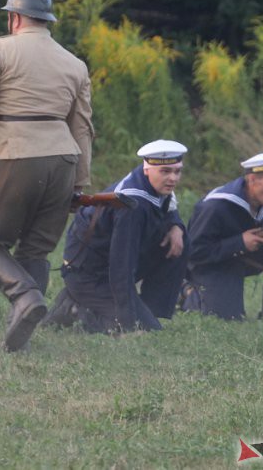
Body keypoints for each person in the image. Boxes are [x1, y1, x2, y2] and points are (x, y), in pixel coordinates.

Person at [0, 0, 94, 352]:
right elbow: (83, 128)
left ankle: (25, 297)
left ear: (14, 18)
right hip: (63, 160)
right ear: (46, 20)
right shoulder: (75, 64)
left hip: (15, 154)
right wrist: (80, 183)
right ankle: (22, 332)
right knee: (35, 251)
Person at [43, 140, 188, 334]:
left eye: (177, 171)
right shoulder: (132, 206)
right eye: (166, 171)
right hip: (90, 274)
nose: (173, 178)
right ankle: (75, 309)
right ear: (147, 169)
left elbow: (169, 203)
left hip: (104, 267)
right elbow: (121, 265)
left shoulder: (150, 182)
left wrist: (176, 225)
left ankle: (150, 310)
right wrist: (128, 322)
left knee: (181, 240)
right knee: (142, 330)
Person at [183, 153, 263, 321]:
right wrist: (240, 242)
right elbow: (194, 252)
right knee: (225, 319)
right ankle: (185, 292)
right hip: (215, 262)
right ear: (252, 180)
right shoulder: (214, 206)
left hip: (253, 255)